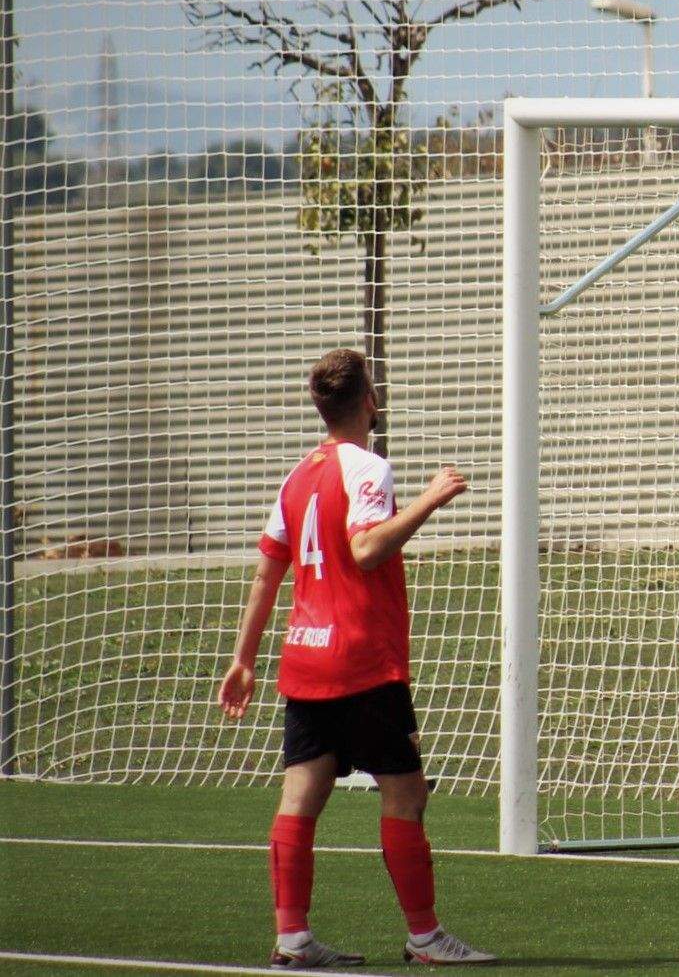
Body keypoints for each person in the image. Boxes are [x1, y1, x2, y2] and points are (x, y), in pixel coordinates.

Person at [218, 348, 492, 968]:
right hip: (364, 660)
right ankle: (425, 936)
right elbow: (366, 549)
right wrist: (431, 498)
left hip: (306, 659)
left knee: (300, 798)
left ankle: (292, 938)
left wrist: (243, 659)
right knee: (406, 794)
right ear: (369, 400)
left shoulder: (296, 477)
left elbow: (267, 575)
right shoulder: (368, 467)